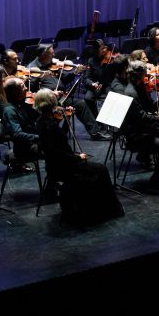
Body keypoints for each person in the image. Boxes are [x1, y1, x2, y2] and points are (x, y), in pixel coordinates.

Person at [34, 89, 123, 224]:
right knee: (101, 169)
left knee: (96, 169)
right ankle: (107, 211)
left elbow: (58, 139)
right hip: (63, 167)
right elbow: (59, 152)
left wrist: (66, 118)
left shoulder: (41, 121)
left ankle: (93, 208)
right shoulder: (50, 125)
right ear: (51, 102)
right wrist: (78, 157)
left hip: (53, 164)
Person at [26, 44, 111, 141]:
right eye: (51, 54)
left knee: (80, 104)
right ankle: (57, 136)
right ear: (43, 55)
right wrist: (47, 89)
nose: (54, 56)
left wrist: (74, 73)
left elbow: (64, 80)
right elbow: (30, 90)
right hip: (47, 102)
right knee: (65, 110)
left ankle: (95, 132)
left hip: (61, 97)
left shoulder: (51, 64)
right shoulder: (33, 68)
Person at [121, 61, 159, 190]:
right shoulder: (131, 93)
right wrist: (157, 117)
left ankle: (158, 174)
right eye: (145, 73)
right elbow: (141, 117)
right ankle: (156, 178)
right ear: (140, 74)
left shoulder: (138, 87)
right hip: (136, 135)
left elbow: (148, 104)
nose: (147, 76)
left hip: (142, 128)